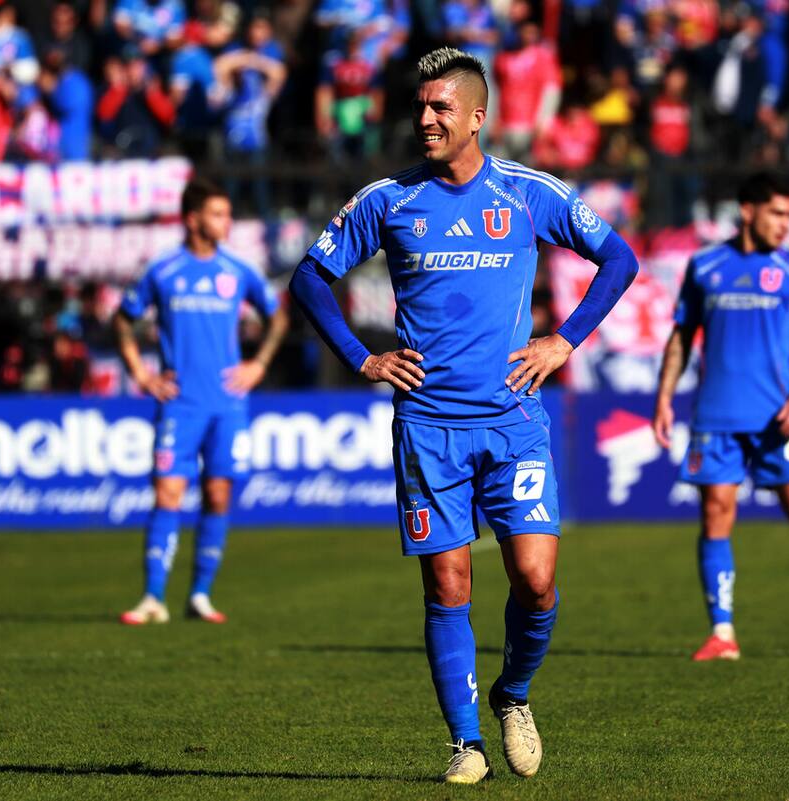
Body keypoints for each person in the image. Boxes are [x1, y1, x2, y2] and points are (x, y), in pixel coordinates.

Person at [288, 47, 637, 783]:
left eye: (441, 107)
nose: (426, 119)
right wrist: (363, 357)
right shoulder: (388, 199)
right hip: (428, 427)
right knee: (449, 584)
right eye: (420, 107)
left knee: (536, 580)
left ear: (479, 117)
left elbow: (621, 260)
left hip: (512, 420)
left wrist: (563, 340)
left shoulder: (527, 193)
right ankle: (466, 742)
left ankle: (514, 693)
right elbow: (311, 278)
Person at [652, 172, 789, 663]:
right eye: (777, 213)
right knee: (716, 515)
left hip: (778, 417)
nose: (785, 225)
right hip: (716, 416)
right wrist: (664, 396)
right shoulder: (706, 266)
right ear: (747, 210)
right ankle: (723, 633)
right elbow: (682, 335)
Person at [115, 178, 289, 626]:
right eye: (217, 214)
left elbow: (278, 316)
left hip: (228, 404)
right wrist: (140, 373)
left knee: (217, 494)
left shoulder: (238, 269)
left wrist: (259, 365)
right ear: (192, 219)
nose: (226, 222)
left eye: (228, 214)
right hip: (180, 403)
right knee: (168, 492)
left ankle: (199, 595)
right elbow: (123, 319)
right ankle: (153, 596)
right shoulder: (163, 270)